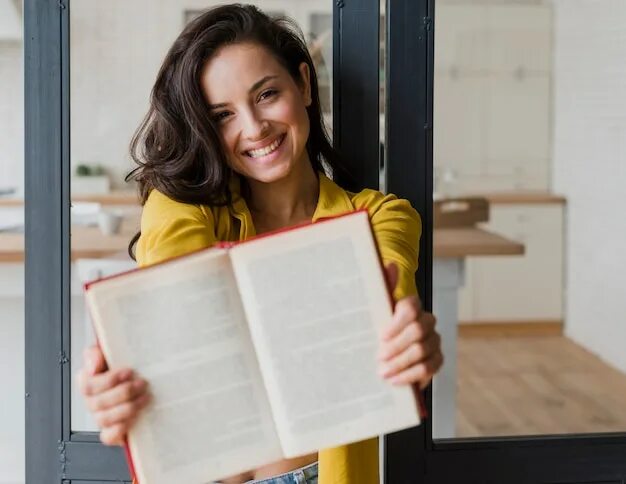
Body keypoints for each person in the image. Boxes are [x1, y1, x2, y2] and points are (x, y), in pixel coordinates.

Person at [76, 4, 443, 484]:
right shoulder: (180, 206)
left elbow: (394, 317)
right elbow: (172, 308)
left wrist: (410, 347)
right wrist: (120, 379)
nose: (253, 128)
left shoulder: (379, 216)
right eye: (222, 115)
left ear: (305, 85)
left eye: (267, 94)